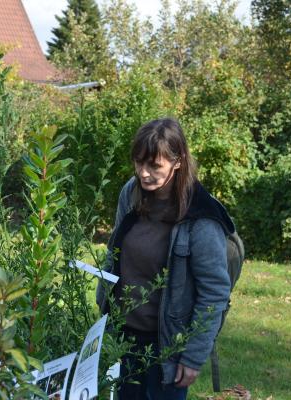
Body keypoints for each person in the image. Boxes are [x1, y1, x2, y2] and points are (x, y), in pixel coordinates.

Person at [97, 118, 233, 399]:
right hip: (123, 339)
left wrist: (193, 356)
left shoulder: (202, 217)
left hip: (168, 347)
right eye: (138, 162)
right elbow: (115, 253)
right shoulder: (131, 193)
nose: (143, 173)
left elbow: (215, 293)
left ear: (178, 161)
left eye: (154, 166)